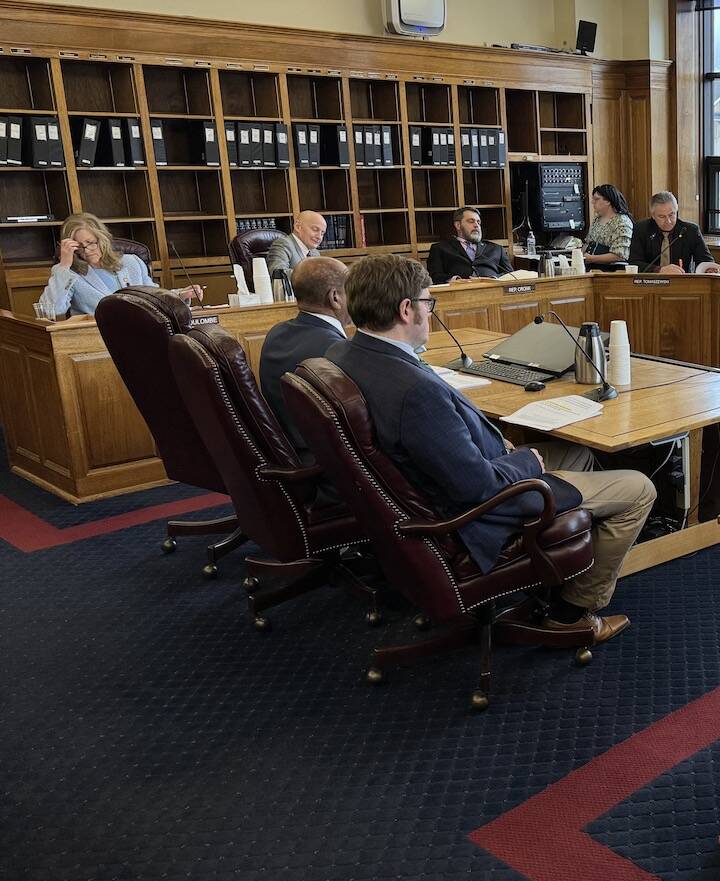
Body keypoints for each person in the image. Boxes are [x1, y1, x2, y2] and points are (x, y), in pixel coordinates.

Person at [323, 255, 654, 637]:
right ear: (406, 309)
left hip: (432, 490)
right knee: (638, 488)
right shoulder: (415, 392)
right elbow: (478, 487)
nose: (430, 312)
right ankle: (571, 612)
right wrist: (525, 462)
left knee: (578, 453)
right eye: (429, 303)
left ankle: (555, 569)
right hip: (474, 514)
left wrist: (495, 444)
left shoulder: (344, 353)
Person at [258, 257, 350, 463]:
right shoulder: (335, 349)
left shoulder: (276, 332)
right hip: (326, 461)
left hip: (285, 451)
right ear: (335, 297)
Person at [37, 213, 202, 318]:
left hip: (140, 332)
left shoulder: (132, 262)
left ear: (102, 238)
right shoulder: (70, 274)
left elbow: (153, 296)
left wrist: (181, 295)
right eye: (79, 247)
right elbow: (51, 310)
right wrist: (64, 266)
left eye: (91, 243)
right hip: (98, 340)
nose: (86, 251)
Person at [627, 191, 720, 274]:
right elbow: (634, 263)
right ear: (653, 215)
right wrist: (660, 270)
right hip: (650, 282)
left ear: (676, 211)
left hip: (682, 282)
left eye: (671, 214)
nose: (668, 221)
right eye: (662, 217)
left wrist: (709, 268)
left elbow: (705, 260)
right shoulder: (641, 229)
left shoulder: (690, 230)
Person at [425, 206, 513, 282]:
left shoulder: (497, 249)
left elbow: (511, 275)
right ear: (458, 225)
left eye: (478, 222)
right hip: (459, 293)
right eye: (471, 221)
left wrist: (493, 279)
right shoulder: (440, 248)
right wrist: (455, 280)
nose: (476, 225)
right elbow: (434, 276)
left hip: (493, 291)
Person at [582, 184, 633, 268]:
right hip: (591, 266)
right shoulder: (597, 218)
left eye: (597, 199)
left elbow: (620, 255)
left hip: (610, 270)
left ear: (608, 201)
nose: (592, 202)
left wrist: (591, 258)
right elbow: (588, 242)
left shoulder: (622, 222)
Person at [265, 210, 326, 278]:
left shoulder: (315, 252)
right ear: (298, 227)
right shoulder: (283, 244)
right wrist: (312, 275)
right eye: (315, 229)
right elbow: (278, 273)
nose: (319, 237)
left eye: (322, 233)